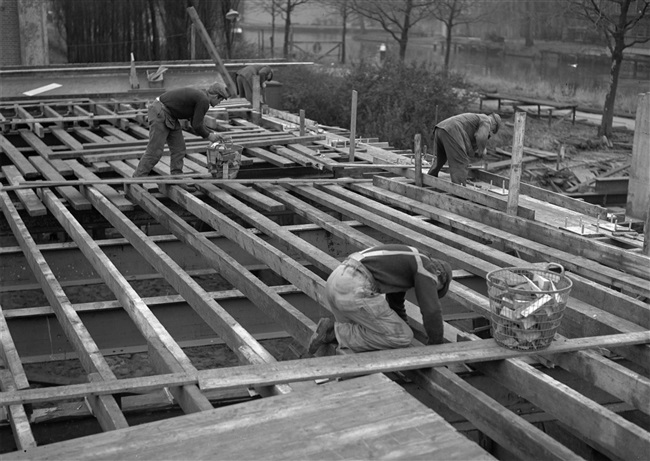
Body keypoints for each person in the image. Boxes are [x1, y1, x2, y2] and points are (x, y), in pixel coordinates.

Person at [308, 244, 453, 354]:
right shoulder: (427, 267)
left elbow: (396, 305)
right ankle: (333, 331)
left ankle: (334, 333)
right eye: (435, 287)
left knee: (364, 334)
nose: (431, 288)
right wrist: (436, 349)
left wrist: (401, 324)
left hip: (336, 279)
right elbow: (432, 311)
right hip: (354, 285)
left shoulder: (406, 261)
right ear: (439, 273)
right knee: (403, 337)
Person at [132, 82, 230, 178]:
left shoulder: (201, 96)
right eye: (220, 100)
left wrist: (212, 133)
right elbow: (196, 126)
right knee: (155, 152)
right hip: (161, 113)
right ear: (215, 96)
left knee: (179, 148)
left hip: (170, 115)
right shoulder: (204, 100)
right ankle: (136, 179)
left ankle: (177, 177)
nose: (218, 103)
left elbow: (196, 122)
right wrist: (209, 136)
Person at [427, 113, 501, 185]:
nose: (490, 132)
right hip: (452, 130)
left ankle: (429, 178)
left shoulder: (477, 118)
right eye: (492, 130)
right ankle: (460, 191)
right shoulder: (487, 121)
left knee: (441, 158)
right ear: (494, 124)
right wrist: (482, 150)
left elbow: (468, 138)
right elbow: (481, 136)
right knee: (461, 161)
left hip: (440, 128)